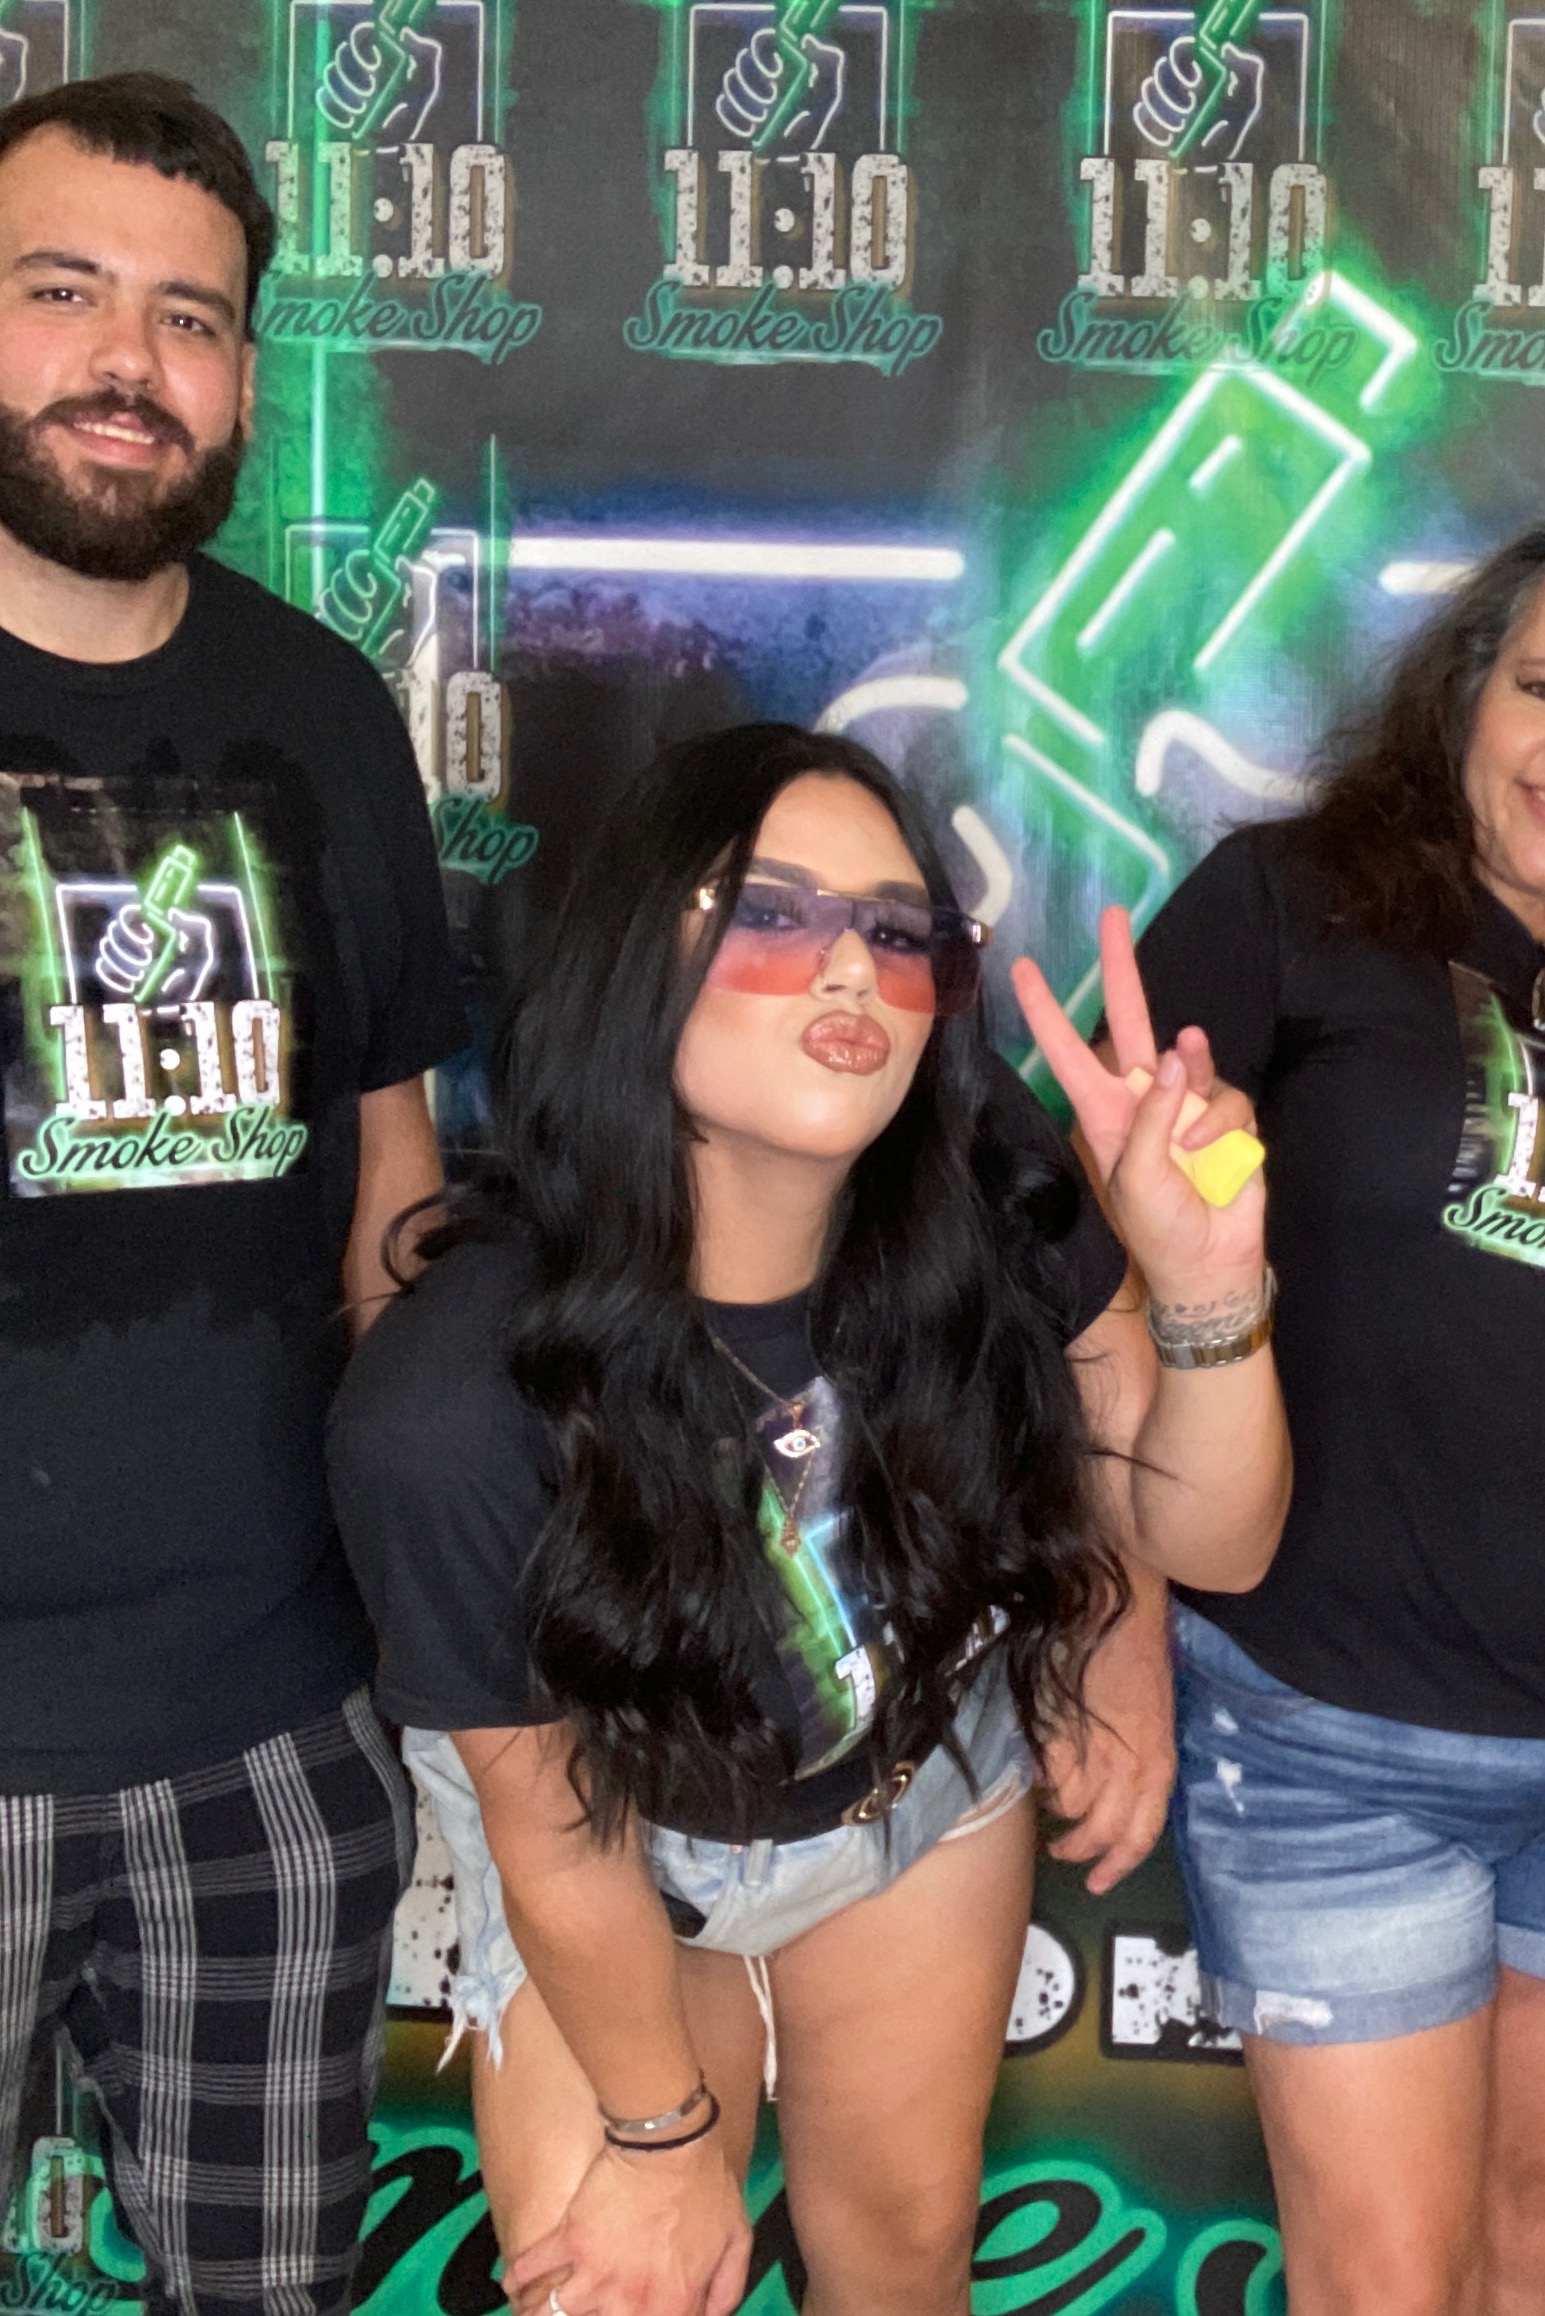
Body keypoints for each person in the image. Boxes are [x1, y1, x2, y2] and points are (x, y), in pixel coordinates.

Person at [326, 723, 1287, 2316]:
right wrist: (658, 2134)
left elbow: (1220, 1538)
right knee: (624, 2279)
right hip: (614, 1828)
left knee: (902, 2265)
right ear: (641, 954)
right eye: (770, 912)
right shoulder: (449, 1400)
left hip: (907, 1785)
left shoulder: (987, 1190)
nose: (852, 965)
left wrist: (1210, 1298)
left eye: (901, 931)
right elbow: (554, 1836)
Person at [1129, 514, 1545, 2316]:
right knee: (1389, 2281)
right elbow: (1099, 1287)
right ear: (1466, 700)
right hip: (1344, 1731)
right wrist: (1112, 1635)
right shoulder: (1285, 909)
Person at [0, 73, 464, 2316]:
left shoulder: (322, 709)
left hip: (266, 1735)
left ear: (249, 376)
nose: (129, 359)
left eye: (192, 318)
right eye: (62, 290)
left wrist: (398, 1612)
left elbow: (393, 1164)